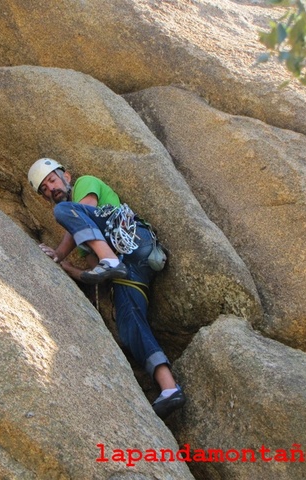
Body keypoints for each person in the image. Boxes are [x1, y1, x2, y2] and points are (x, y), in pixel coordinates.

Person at [28, 157, 185, 419]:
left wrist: (58, 254)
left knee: (65, 211)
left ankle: (111, 259)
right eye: (44, 189)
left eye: (52, 180)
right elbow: (98, 272)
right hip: (131, 267)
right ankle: (169, 388)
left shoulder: (84, 185)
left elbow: (80, 211)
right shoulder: (85, 238)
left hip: (134, 238)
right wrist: (67, 268)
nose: (50, 189)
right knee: (129, 323)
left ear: (66, 176)